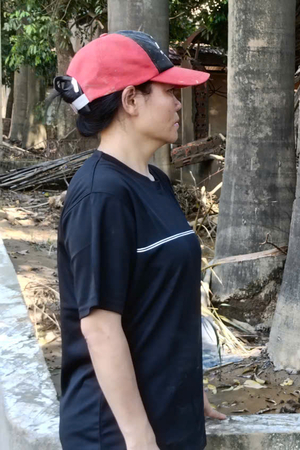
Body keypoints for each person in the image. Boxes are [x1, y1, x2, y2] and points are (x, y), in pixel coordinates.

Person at [53, 30, 226, 450]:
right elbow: (100, 328)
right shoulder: (101, 196)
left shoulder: (156, 184)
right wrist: (137, 434)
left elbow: (158, 303)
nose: (178, 102)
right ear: (131, 100)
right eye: (168, 90)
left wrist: (186, 391)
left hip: (169, 418)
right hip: (117, 435)